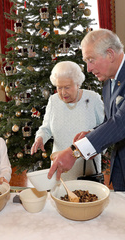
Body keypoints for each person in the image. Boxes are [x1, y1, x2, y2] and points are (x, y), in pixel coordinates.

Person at [48, 29, 125, 191]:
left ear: (110, 54)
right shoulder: (108, 82)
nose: (88, 68)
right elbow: (110, 121)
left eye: (91, 60)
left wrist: (74, 152)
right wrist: (92, 132)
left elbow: (121, 122)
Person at [31, 61, 104, 181]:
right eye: (59, 88)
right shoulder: (53, 101)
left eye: (67, 87)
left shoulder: (93, 99)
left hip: (86, 169)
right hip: (60, 166)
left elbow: (104, 131)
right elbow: (46, 128)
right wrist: (40, 138)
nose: (63, 92)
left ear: (78, 84)